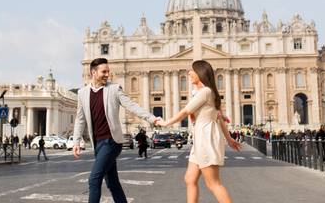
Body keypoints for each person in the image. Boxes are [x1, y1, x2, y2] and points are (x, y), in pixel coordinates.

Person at [72, 57, 162, 203]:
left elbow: (132, 105)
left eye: (108, 71)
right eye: (104, 71)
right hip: (97, 144)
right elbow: (80, 119)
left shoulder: (114, 89)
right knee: (112, 183)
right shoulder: (82, 93)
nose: (107, 74)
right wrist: (76, 141)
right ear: (93, 72)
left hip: (111, 141)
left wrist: (152, 118)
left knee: (94, 180)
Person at [157, 60, 241, 203]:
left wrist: (166, 123)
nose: (189, 73)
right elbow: (220, 118)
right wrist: (229, 139)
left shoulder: (205, 92)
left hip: (206, 139)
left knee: (213, 183)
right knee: (190, 179)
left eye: (192, 70)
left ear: (200, 73)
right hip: (201, 138)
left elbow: (185, 111)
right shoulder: (206, 92)